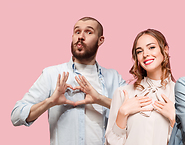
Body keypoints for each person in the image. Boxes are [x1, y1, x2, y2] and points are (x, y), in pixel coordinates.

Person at [11, 17, 126, 145]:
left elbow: (136, 111)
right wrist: (49, 102)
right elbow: (16, 116)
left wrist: (100, 99)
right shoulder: (52, 74)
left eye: (89, 32)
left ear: (100, 40)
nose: (81, 36)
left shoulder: (113, 77)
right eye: (77, 32)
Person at [105, 29, 175, 145]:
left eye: (151, 47)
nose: (145, 54)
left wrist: (173, 120)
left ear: (165, 50)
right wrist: (122, 114)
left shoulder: (179, 94)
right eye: (139, 51)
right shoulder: (123, 93)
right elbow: (111, 142)